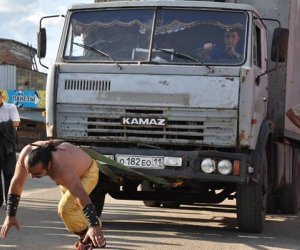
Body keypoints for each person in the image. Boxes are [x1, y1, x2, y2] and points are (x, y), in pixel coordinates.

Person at [0, 139, 106, 249]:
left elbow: (81, 195)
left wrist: (94, 226)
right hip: (68, 175)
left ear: (49, 165)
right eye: (30, 172)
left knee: (66, 209)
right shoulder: (26, 153)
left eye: (37, 173)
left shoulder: (61, 166)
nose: (32, 177)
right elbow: (17, 183)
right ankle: (91, 233)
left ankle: (88, 236)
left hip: (87, 173)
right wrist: (10, 214)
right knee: (73, 211)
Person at [0, 90, 20, 207]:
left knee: (9, 174)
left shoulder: (10, 107)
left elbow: (16, 123)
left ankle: (9, 200)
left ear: (1, 96)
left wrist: (1, 126)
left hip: (8, 144)